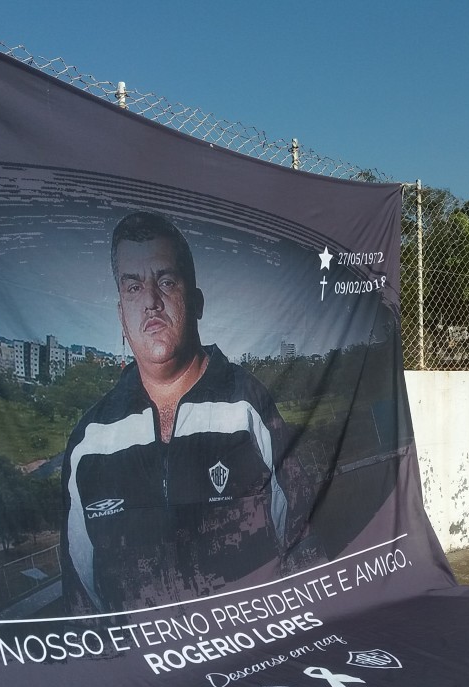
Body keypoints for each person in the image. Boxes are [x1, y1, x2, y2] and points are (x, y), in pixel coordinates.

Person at [61, 211, 316, 613]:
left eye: (165, 281)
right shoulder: (90, 441)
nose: (150, 302)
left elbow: (304, 546)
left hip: (247, 659)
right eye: (133, 287)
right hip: (142, 671)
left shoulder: (247, 407)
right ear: (120, 315)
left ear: (195, 302)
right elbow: (82, 599)